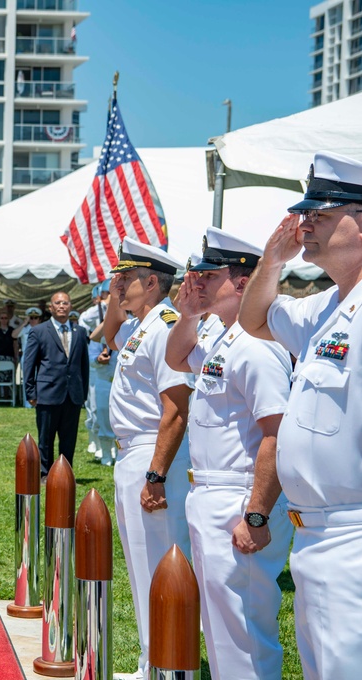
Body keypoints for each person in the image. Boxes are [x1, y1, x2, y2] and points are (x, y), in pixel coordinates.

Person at [239, 151, 362, 680]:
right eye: (305, 212)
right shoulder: (329, 305)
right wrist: (272, 262)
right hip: (314, 537)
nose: (305, 223)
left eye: (323, 212)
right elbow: (256, 318)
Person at [165, 228, 294, 680]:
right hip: (212, 493)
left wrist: (257, 514)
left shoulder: (257, 347)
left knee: (243, 625)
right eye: (196, 275)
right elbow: (179, 360)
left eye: (208, 275)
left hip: (241, 496)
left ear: (243, 283)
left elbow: (276, 435)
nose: (196, 282)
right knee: (221, 624)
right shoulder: (222, 336)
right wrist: (187, 315)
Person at [103, 238, 192, 679]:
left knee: (159, 562)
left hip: (153, 454)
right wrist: (116, 297)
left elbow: (176, 407)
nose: (117, 284)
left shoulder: (166, 326)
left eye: (126, 277)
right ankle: (151, 662)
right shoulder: (144, 325)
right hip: (134, 453)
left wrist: (156, 475)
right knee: (142, 567)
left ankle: (167, 664)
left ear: (151, 281)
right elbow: (109, 333)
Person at [22, 291, 90, 475]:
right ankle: (45, 473)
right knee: (46, 439)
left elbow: (84, 365)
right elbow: (29, 364)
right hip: (47, 393)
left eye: (65, 303)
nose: (62, 306)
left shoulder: (80, 331)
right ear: (51, 308)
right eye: (58, 303)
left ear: (71, 306)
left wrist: (82, 394)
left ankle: (65, 475)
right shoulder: (39, 331)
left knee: (69, 439)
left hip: (73, 395)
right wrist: (30, 392)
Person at [79, 281, 117, 465]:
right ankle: (104, 451)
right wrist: (104, 304)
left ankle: (115, 450)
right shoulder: (97, 327)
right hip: (101, 375)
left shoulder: (128, 324)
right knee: (98, 411)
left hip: (119, 379)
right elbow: (84, 321)